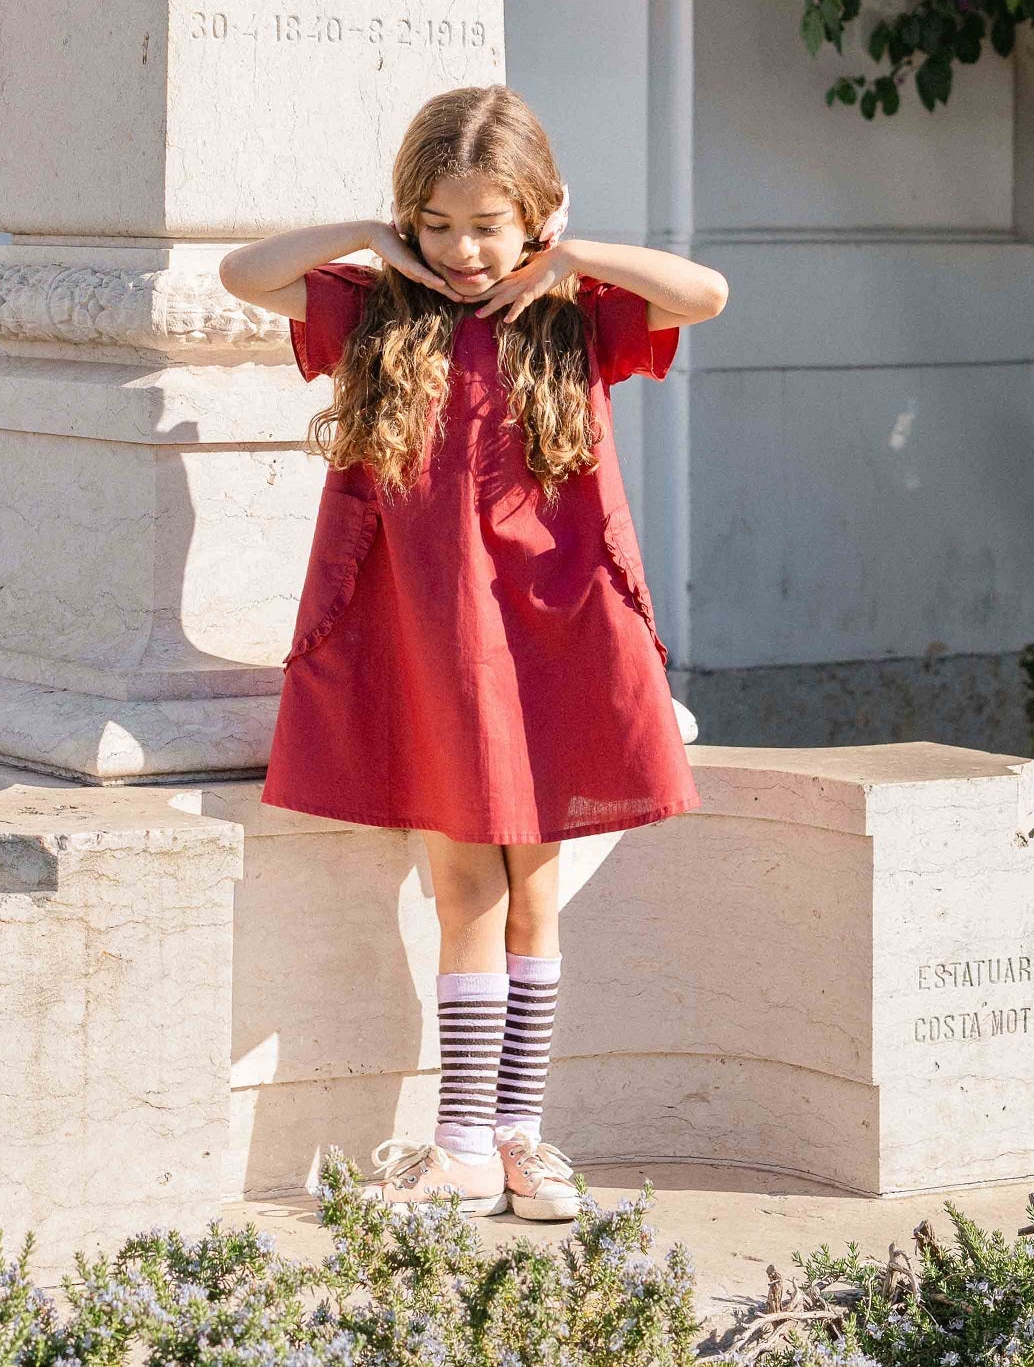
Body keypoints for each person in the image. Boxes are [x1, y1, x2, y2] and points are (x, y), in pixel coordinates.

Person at [220, 85, 729, 1222]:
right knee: (464, 889)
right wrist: (370, 235)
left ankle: (518, 1140)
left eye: (488, 225)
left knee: (533, 892)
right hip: (435, 639)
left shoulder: (575, 313)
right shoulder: (376, 309)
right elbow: (242, 275)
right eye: (438, 224)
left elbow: (705, 293)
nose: (461, 251)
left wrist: (569, 254)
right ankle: (459, 1145)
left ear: (537, 212)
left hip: (552, 629)